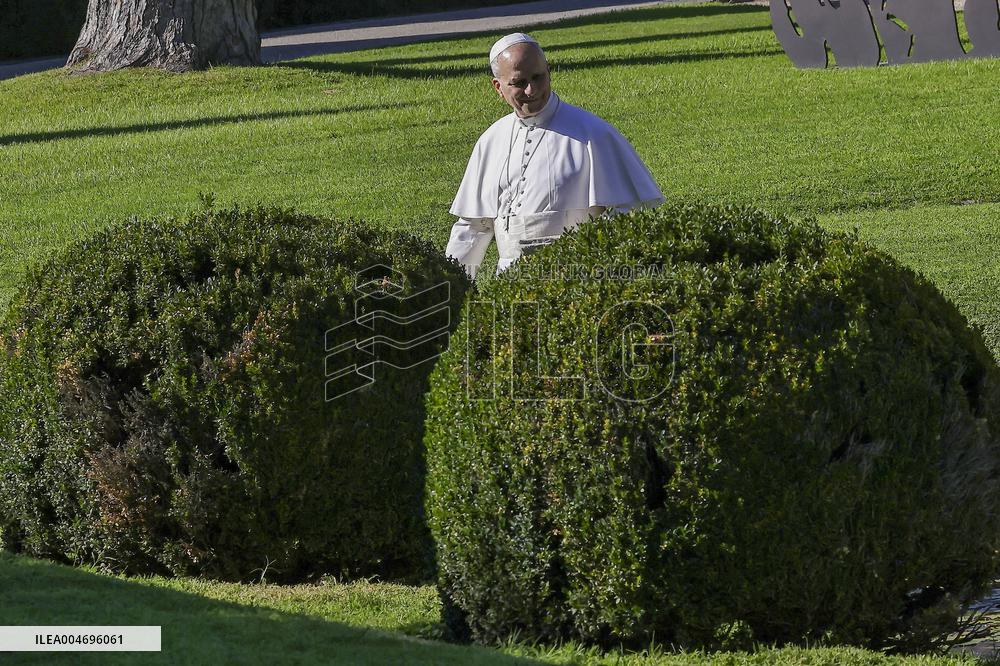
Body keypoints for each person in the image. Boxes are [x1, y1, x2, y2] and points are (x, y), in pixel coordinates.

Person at [446, 32, 665, 278]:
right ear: (498, 87)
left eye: (538, 77)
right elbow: (474, 227)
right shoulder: (491, 140)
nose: (532, 89)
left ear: (548, 71)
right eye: (519, 83)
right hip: (508, 282)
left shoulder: (592, 133)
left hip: (575, 280)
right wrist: (452, 288)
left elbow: (627, 213)